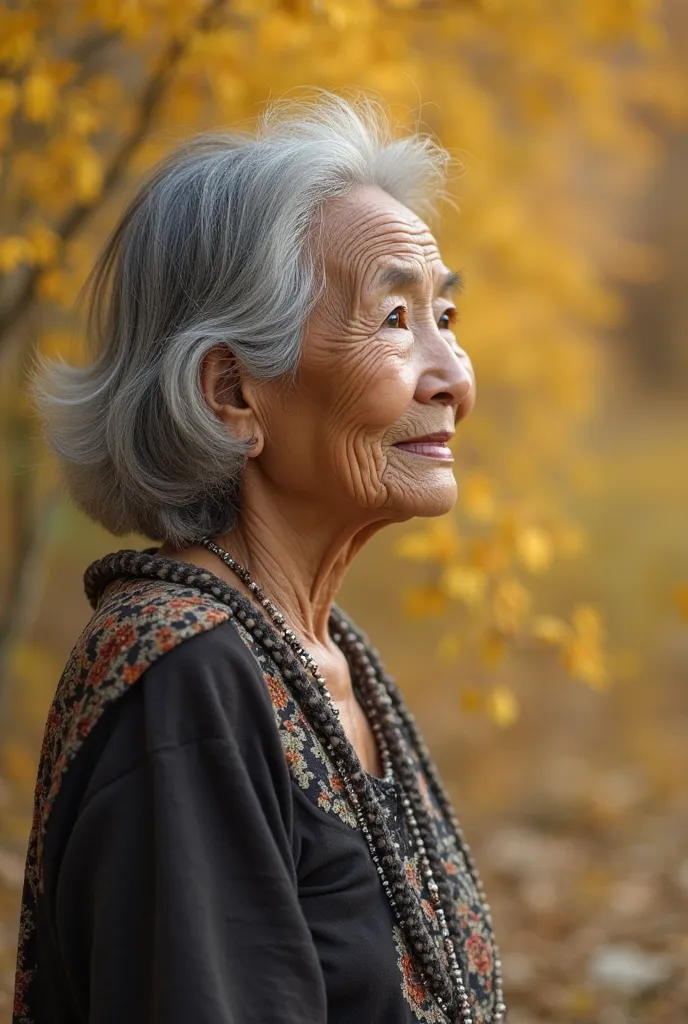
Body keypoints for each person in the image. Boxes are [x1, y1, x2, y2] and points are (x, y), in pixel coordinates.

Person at [12, 93, 507, 1024]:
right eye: (395, 320)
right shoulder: (188, 675)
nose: (453, 377)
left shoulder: (314, 654)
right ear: (233, 392)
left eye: (445, 313)